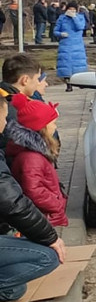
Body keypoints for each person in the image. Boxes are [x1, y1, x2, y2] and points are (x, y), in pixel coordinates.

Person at [5, 92, 64, 227]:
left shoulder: (35, 152)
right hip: (41, 216)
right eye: (53, 123)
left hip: (42, 214)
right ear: (42, 127)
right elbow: (33, 189)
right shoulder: (32, 158)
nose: (55, 127)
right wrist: (56, 203)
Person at [53, 4, 87, 91]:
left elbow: (80, 27)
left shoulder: (80, 17)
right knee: (65, 65)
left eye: (73, 9)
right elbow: (55, 31)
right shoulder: (62, 18)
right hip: (65, 45)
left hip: (77, 45)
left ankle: (80, 82)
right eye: (70, 9)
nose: (71, 11)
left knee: (79, 64)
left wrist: (74, 17)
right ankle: (68, 84)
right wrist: (61, 34)